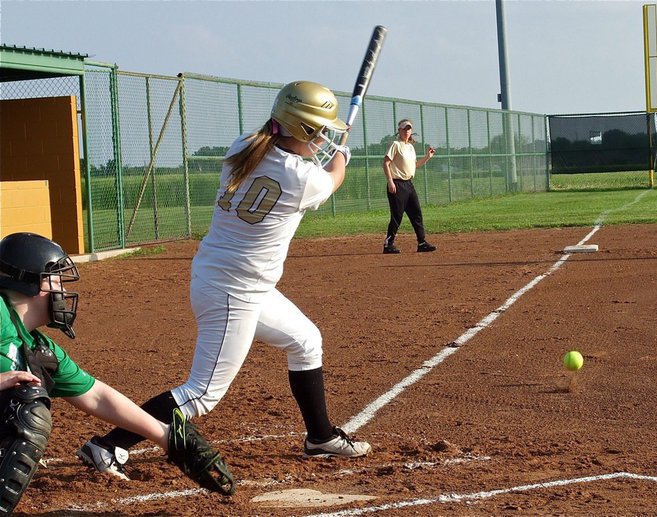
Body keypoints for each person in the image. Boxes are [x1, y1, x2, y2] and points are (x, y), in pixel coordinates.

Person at [80, 80, 371, 478]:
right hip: (234, 290)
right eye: (320, 132)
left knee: (306, 341)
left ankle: (319, 437)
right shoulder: (304, 178)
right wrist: (342, 156)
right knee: (202, 393)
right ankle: (107, 445)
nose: (324, 139)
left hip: (233, 280)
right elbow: (332, 177)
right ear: (303, 131)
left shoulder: (243, 147)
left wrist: (327, 148)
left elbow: (298, 163)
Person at [0, 233, 234, 513]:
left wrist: (168, 438)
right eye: (56, 279)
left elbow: (98, 396)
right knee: (26, 405)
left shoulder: (38, 349)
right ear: (30, 282)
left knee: (26, 397)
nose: (62, 290)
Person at [382, 118, 437, 254]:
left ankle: (422, 243)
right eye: (404, 128)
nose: (407, 131)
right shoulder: (396, 144)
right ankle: (388, 245)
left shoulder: (410, 147)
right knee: (397, 216)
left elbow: (414, 166)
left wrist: (427, 157)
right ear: (399, 130)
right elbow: (386, 163)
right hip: (397, 184)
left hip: (409, 184)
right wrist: (390, 181)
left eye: (409, 129)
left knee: (416, 213)